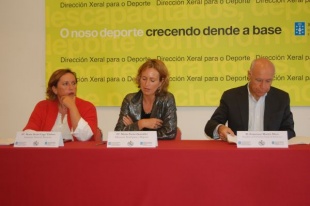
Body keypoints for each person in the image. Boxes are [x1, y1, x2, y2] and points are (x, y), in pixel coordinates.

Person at [205, 58, 295, 141]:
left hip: (270, 152)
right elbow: (210, 126)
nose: (263, 86)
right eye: (259, 80)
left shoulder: (281, 98)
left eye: (268, 81)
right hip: (239, 152)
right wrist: (221, 128)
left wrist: (273, 138)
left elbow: (290, 132)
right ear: (249, 75)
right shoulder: (231, 97)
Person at [23, 68, 98, 141]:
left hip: (76, 153)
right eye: (65, 84)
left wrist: (72, 107)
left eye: (73, 83)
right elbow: (28, 134)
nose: (71, 88)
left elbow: (85, 137)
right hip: (47, 153)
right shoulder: (43, 106)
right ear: (55, 89)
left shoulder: (87, 107)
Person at [114, 59, 177, 140]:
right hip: (134, 150)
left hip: (158, 150)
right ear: (139, 79)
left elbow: (170, 133)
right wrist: (141, 124)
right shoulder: (129, 100)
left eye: (152, 80)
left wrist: (135, 129)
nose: (146, 84)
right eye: (144, 79)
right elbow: (118, 133)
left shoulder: (167, 99)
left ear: (161, 82)